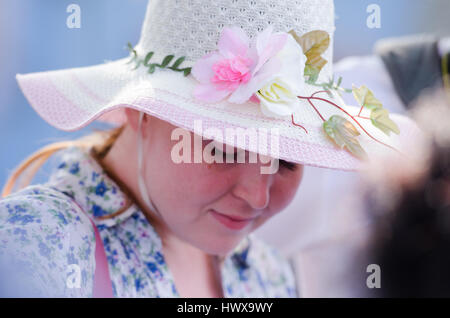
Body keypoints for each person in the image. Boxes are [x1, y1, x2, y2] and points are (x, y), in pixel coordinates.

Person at [0, 0, 419, 298]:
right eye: (226, 149)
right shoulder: (41, 247)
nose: (257, 195)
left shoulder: (266, 271)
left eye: (288, 160)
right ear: (138, 112)